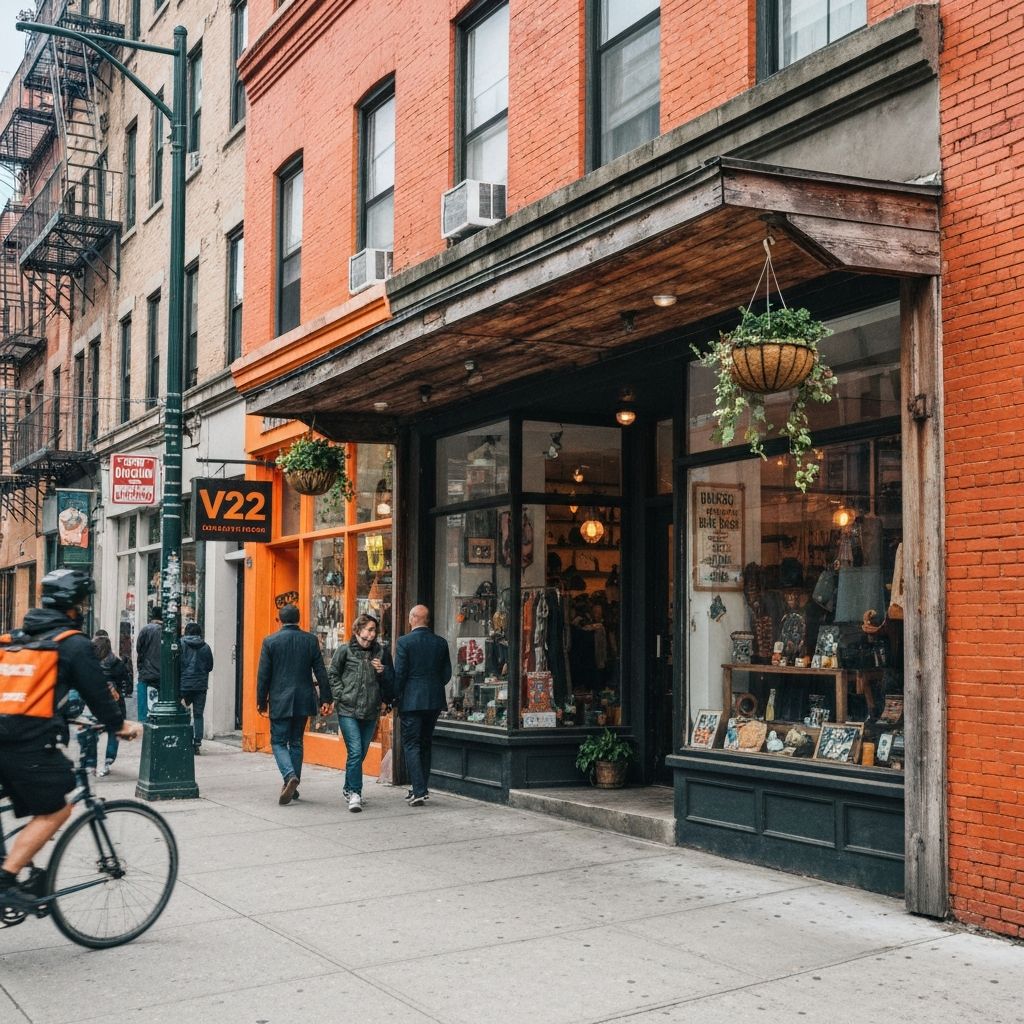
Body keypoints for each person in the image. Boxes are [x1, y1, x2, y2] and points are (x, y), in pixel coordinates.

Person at [0, 570, 140, 907]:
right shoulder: (73, 644)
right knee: (56, 809)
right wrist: (120, 726)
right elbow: (100, 698)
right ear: (76, 606)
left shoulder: (15, 637)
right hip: (28, 743)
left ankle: (19, 867)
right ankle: (6, 881)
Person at [256, 603, 332, 805]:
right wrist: (326, 698)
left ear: (280, 619)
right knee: (296, 741)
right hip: (303, 698)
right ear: (299, 619)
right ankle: (293, 785)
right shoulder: (310, 640)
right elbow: (321, 671)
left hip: (280, 699)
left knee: (279, 742)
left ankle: (290, 776)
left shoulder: (270, 641)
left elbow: (263, 675)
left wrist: (261, 701)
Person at [328, 614, 394, 812]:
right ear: (358, 630)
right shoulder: (344, 651)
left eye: (374, 631)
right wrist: (341, 694)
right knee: (356, 751)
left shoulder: (381, 653)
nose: (371, 635)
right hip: (348, 709)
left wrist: (382, 672)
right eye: (368, 630)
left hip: (371, 710)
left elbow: (391, 681)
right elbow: (333, 674)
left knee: (360, 752)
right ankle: (356, 793)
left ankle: (348, 788)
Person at [394, 604, 451, 806]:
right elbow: (447, 674)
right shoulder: (441, 643)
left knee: (411, 744)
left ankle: (418, 790)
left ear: (413, 618)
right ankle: (421, 788)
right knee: (425, 744)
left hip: (411, 701)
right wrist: (432, 687)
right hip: (434, 700)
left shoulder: (404, 642)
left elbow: (399, 674)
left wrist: (395, 695)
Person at [75, 629, 132, 777]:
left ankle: (89, 760)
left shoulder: (90, 664)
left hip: (93, 705)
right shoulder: (118, 663)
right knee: (114, 733)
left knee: (90, 732)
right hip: (115, 705)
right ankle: (108, 760)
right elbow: (127, 684)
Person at [180, 622, 214, 755]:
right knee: (198, 714)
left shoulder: (181, 645)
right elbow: (210, 666)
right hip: (200, 686)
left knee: (183, 713)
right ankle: (197, 742)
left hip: (184, 685)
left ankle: (185, 738)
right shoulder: (205, 647)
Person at [135, 605, 162, 723]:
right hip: (162, 674)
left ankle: (145, 724)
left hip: (146, 673)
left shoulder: (145, 630)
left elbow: (138, 649)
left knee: (144, 707)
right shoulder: (165, 630)